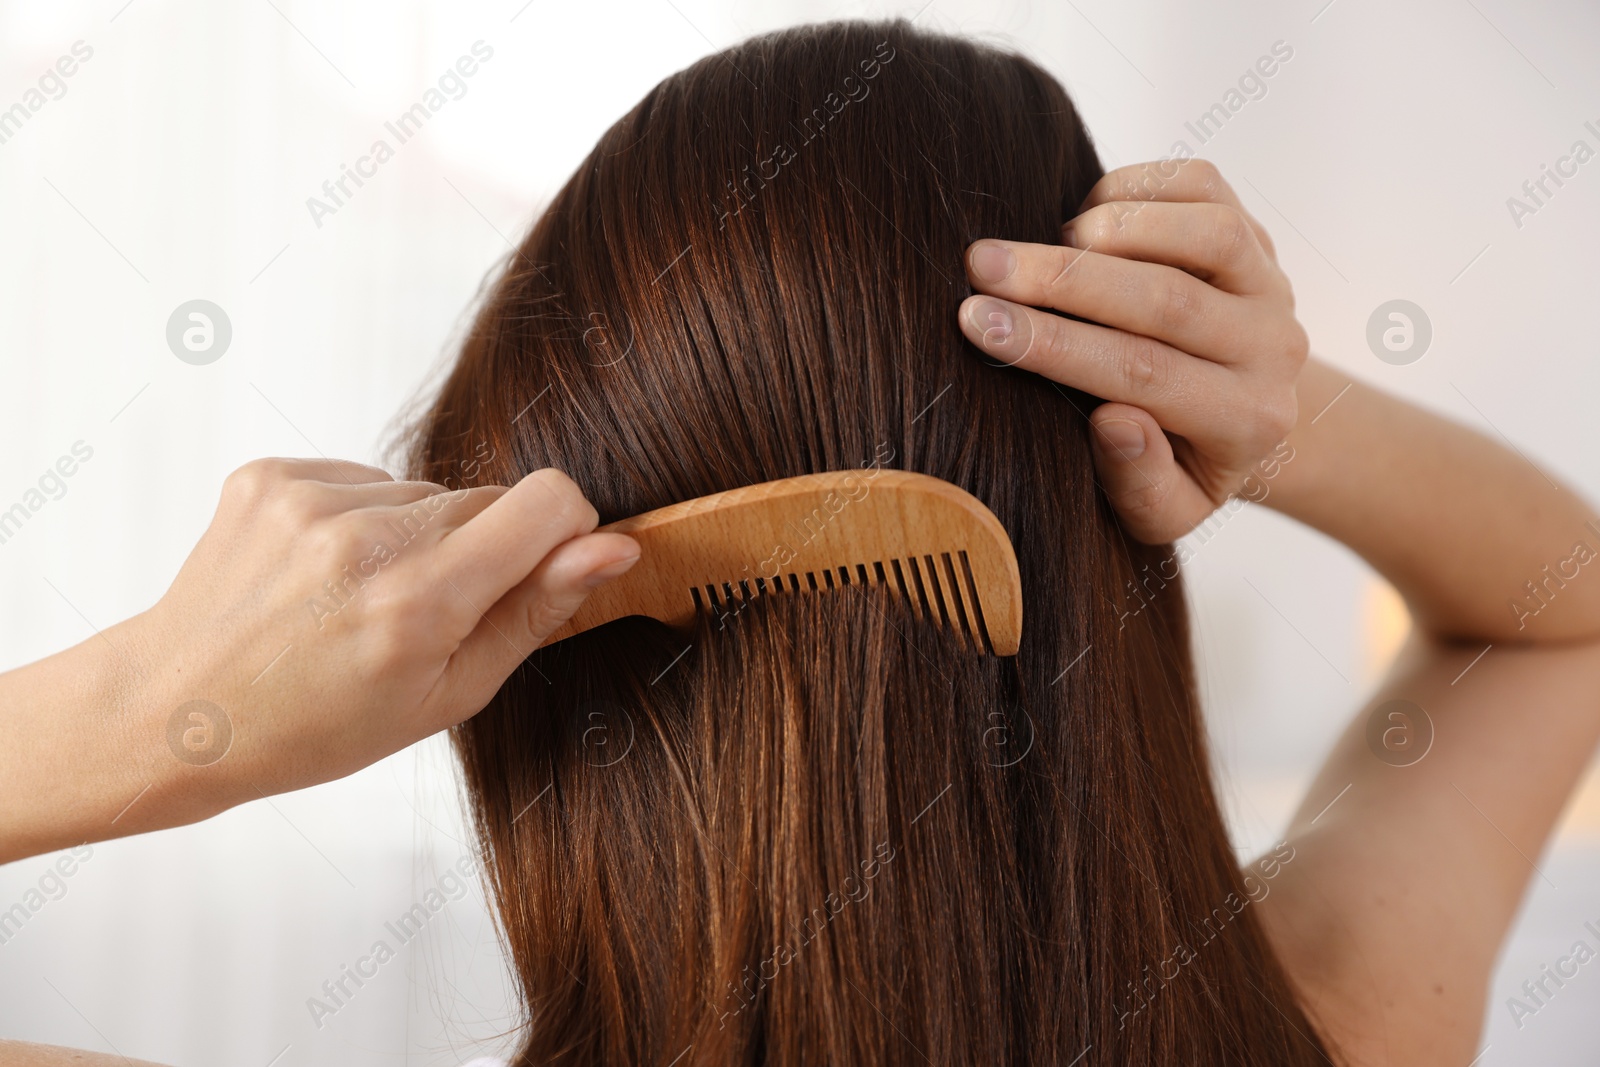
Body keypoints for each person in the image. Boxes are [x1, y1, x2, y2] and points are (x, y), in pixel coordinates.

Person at [5, 17, 1600, 1067]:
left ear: (534, 700)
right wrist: (1273, 405)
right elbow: (1561, 616)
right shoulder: (1350, 1022)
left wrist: (159, 708)